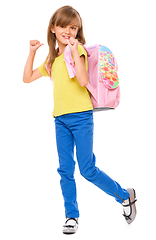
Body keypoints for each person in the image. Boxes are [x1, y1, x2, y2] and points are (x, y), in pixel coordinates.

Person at [23, 5, 137, 235]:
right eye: (63, 26)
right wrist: (32, 51)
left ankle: (125, 196)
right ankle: (71, 216)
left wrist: (75, 51)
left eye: (73, 27)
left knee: (87, 169)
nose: (68, 30)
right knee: (65, 170)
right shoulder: (51, 60)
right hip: (60, 120)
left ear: (78, 31)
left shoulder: (79, 50)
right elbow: (27, 78)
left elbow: (83, 80)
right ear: (53, 28)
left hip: (81, 118)